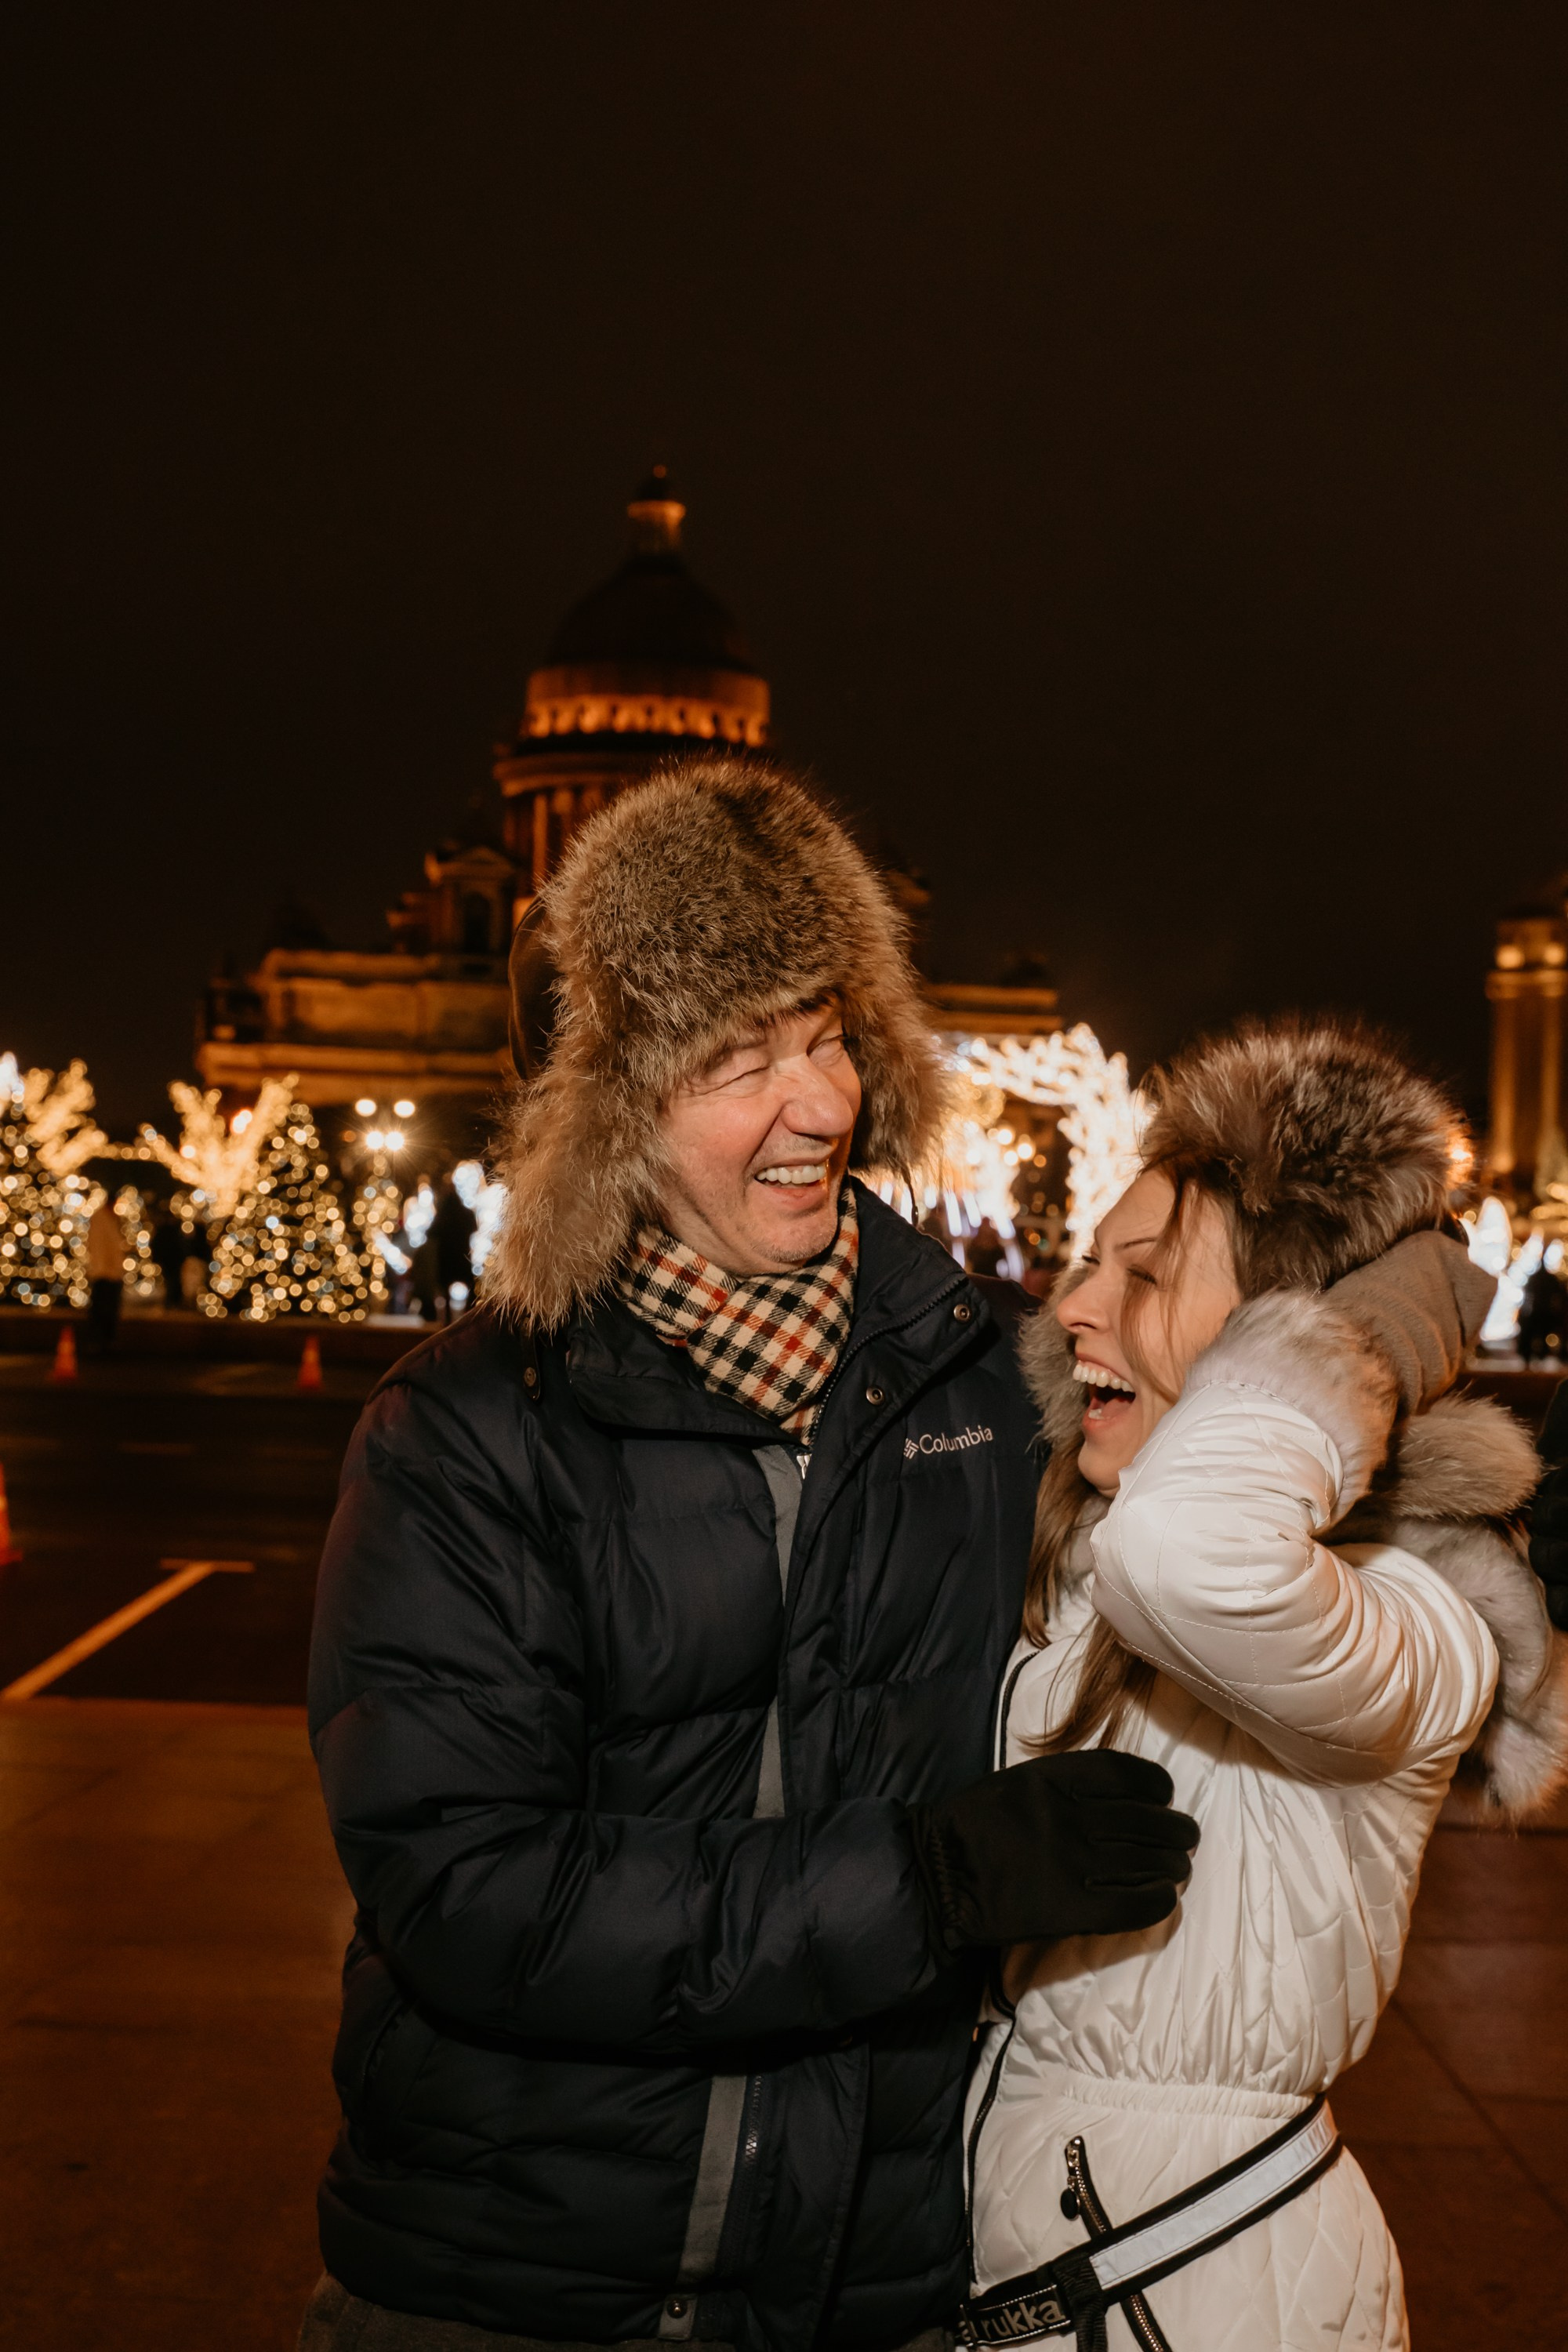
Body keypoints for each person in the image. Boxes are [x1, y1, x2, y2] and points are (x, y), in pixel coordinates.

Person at [302, 761, 1483, 2352]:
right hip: (519, 2294)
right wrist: (920, 1888)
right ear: (605, 1110)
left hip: (874, 2297)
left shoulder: (973, 1390)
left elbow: (1223, 1422)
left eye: (829, 1035)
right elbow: (468, 1893)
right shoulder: (464, 1432)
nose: (822, 1104)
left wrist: (1366, 1334)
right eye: (741, 1058)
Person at [963, 1020, 1567, 2352]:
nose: (1072, 1307)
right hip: (1069, 2272)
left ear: (1279, 1338)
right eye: (1088, 1264)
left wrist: (1343, 1347)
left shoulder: (1422, 1609)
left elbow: (1198, 1553)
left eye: (1145, 1273)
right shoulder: (1082, 1564)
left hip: (1213, 2302)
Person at [430, 1171, 478, 1319]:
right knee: (470, 1287)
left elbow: (432, 1232)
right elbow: (473, 1228)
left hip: (446, 1256)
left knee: (445, 1290)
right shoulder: (465, 1213)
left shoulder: (442, 1214)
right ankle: (468, 1318)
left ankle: (446, 1320)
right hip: (462, 1255)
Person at [85, 1192, 127, 1352]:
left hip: (107, 1272)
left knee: (105, 1309)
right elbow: (102, 1248)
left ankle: (103, 1340)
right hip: (105, 1274)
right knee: (104, 1309)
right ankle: (101, 1341)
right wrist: (107, 1268)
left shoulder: (107, 1219)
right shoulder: (103, 1220)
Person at [1517, 1255, 1568, 1367]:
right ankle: (1538, 1355)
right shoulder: (1549, 1279)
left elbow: (1529, 1296)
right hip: (1544, 1313)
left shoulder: (1536, 1278)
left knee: (1533, 1334)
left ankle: (1532, 1356)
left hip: (1541, 1313)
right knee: (1536, 1334)